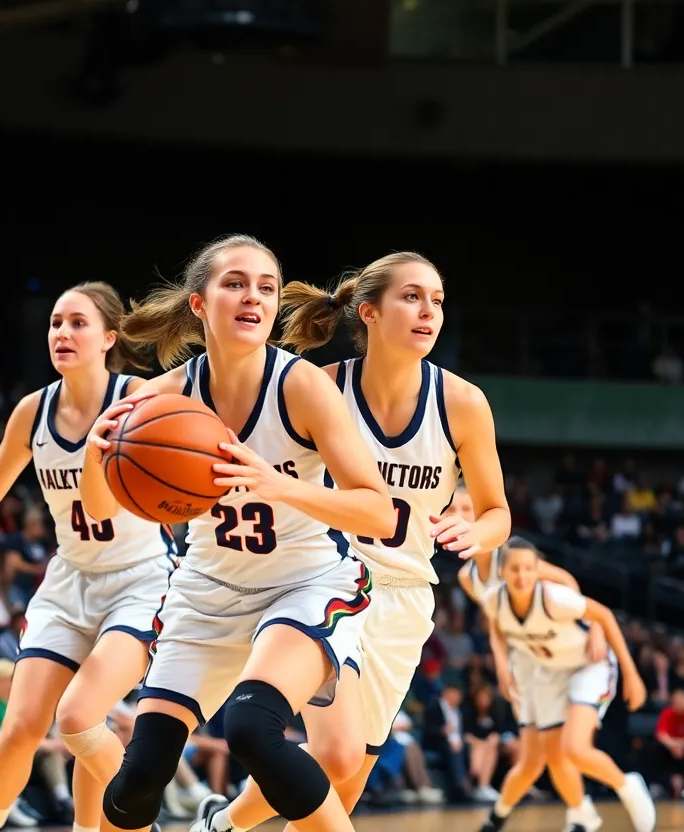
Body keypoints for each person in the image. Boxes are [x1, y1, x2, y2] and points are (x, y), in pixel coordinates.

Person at [81, 234, 395, 832]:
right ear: (199, 304)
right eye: (235, 284)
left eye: (266, 287)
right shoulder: (161, 400)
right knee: (142, 775)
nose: (253, 297)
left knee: (253, 730)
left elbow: (378, 512)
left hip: (304, 582)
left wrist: (278, 486)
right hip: (207, 590)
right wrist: (99, 454)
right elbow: (102, 510)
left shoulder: (301, 386)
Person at [189, 252, 512, 831]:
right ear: (369, 311)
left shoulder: (463, 403)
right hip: (329, 580)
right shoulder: (319, 387)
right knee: (333, 755)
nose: (429, 312)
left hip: (407, 591)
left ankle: (221, 822)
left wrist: (476, 531)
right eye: (412, 297)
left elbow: (497, 513)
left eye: (437, 301)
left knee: (345, 777)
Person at [0, 281, 174, 832]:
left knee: (81, 716)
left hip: (141, 580)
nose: (62, 333)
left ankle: (135, 817)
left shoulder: (139, 397)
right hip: (69, 579)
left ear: (108, 338)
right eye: (55, 323)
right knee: (22, 726)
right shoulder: (33, 410)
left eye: (77, 323)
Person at [455, 487, 606, 832]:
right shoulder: (467, 577)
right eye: (455, 509)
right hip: (524, 663)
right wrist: (503, 667)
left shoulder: (510, 557)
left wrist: (594, 626)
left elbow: (565, 579)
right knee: (535, 758)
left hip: (553, 655)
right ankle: (567, 813)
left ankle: (574, 814)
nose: (461, 515)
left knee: (550, 752)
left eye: (468, 507)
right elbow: (496, 625)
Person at [482, 539, 654, 832]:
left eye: (528, 568)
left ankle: (627, 786)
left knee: (575, 749)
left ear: (538, 570)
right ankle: (582, 817)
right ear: (503, 571)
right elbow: (497, 627)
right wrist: (502, 665)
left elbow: (604, 615)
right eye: (514, 569)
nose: (522, 576)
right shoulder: (494, 600)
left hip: (590, 666)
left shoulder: (553, 598)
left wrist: (632, 673)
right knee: (553, 756)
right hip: (551, 672)